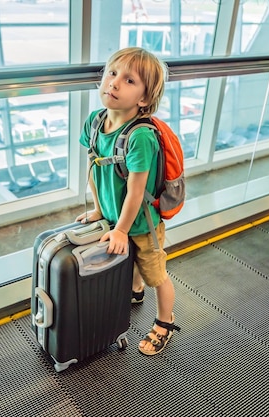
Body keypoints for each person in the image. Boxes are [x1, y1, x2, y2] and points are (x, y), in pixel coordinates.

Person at [76, 47, 180, 356]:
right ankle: (135, 291)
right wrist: (99, 209)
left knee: (156, 274)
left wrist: (121, 229)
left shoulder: (140, 137)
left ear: (144, 99)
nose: (115, 83)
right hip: (114, 217)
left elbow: (136, 191)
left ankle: (165, 321)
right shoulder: (95, 122)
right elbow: (94, 165)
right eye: (112, 73)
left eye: (129, 80)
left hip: (142, 224)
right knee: (129, 261)